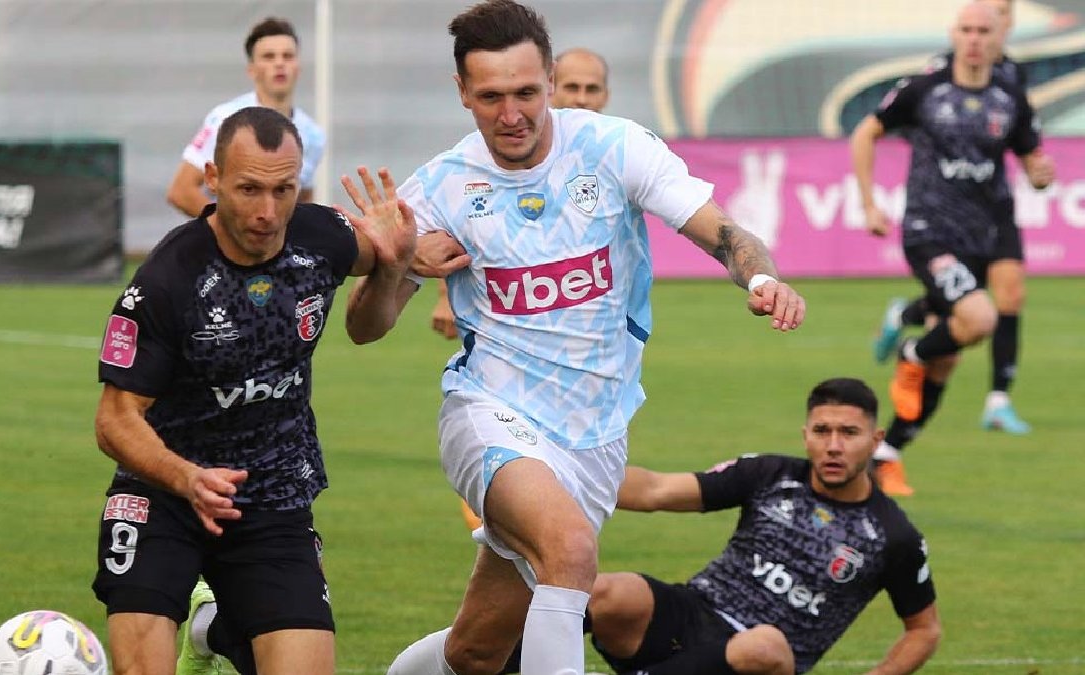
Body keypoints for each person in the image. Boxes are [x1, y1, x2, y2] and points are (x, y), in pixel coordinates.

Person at [343, 2, 806, 674]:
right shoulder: (442, 187)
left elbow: (725, 234)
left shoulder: (615, 148)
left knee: (477, 651)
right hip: (489, 413)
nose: (512, 115)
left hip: (595, 436)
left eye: (526, 93)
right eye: (491, 97)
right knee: (570, 553)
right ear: (463, 92)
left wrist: (762, 279)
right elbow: (364, 328)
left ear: (551, 80)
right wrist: (394, 264)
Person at [93, 106, 414, 675]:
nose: (268, 212)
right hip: (164, 493)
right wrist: (187, 478)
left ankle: (216, 629)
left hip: (274, 494)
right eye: (248, 189)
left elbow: (367, 328)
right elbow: (114, 420)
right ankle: (217, 622)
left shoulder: (323, 237)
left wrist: (393, 264)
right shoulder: (168, 278)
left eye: (283, 190)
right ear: (213, 179)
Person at [499, 377, 941, 675]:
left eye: (849, 433)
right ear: (805, 434)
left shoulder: (893, 535)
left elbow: (924, 630)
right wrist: (544, 475)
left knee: (764, 645)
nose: (833, 446)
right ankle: (487, 665)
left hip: (760, 658)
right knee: (608, 592)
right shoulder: (770, 474)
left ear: (876, 440)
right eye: (822, 431)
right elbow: (655, 490)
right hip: (694, 614)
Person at [850, 0, 1054, 496]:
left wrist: (1040, 174)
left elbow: (1031, 157)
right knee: (981, 318)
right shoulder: (925, 88)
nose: (975, 39)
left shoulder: (1010, 95)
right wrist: (870, 203)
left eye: (984, 30)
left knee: (948, 357)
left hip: (983, 235)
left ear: (999, 36)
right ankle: (911, 350)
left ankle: (887, 453)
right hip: (931, 231)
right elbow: (866, 132)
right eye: (966, 30)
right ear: (954, 34)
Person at [433, 45, 612, 531]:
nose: (581, 98)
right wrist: (443, 295)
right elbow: (459, 230)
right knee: (562, 542)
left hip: (587, 390)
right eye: (572, 87)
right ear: (552, 87)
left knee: (531, 557)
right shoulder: (486, 162)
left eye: (591, 89)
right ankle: (498, 493)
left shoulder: (612, 157)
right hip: (507, 381)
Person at [167, 17, 326, 216]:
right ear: (251, 69)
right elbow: (181, 191)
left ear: (298, 67)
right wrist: (230, 228)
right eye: (269, 56)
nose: (279, 63)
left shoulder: (313, 135)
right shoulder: (225, 119)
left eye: (287, 56)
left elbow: (303, 199)